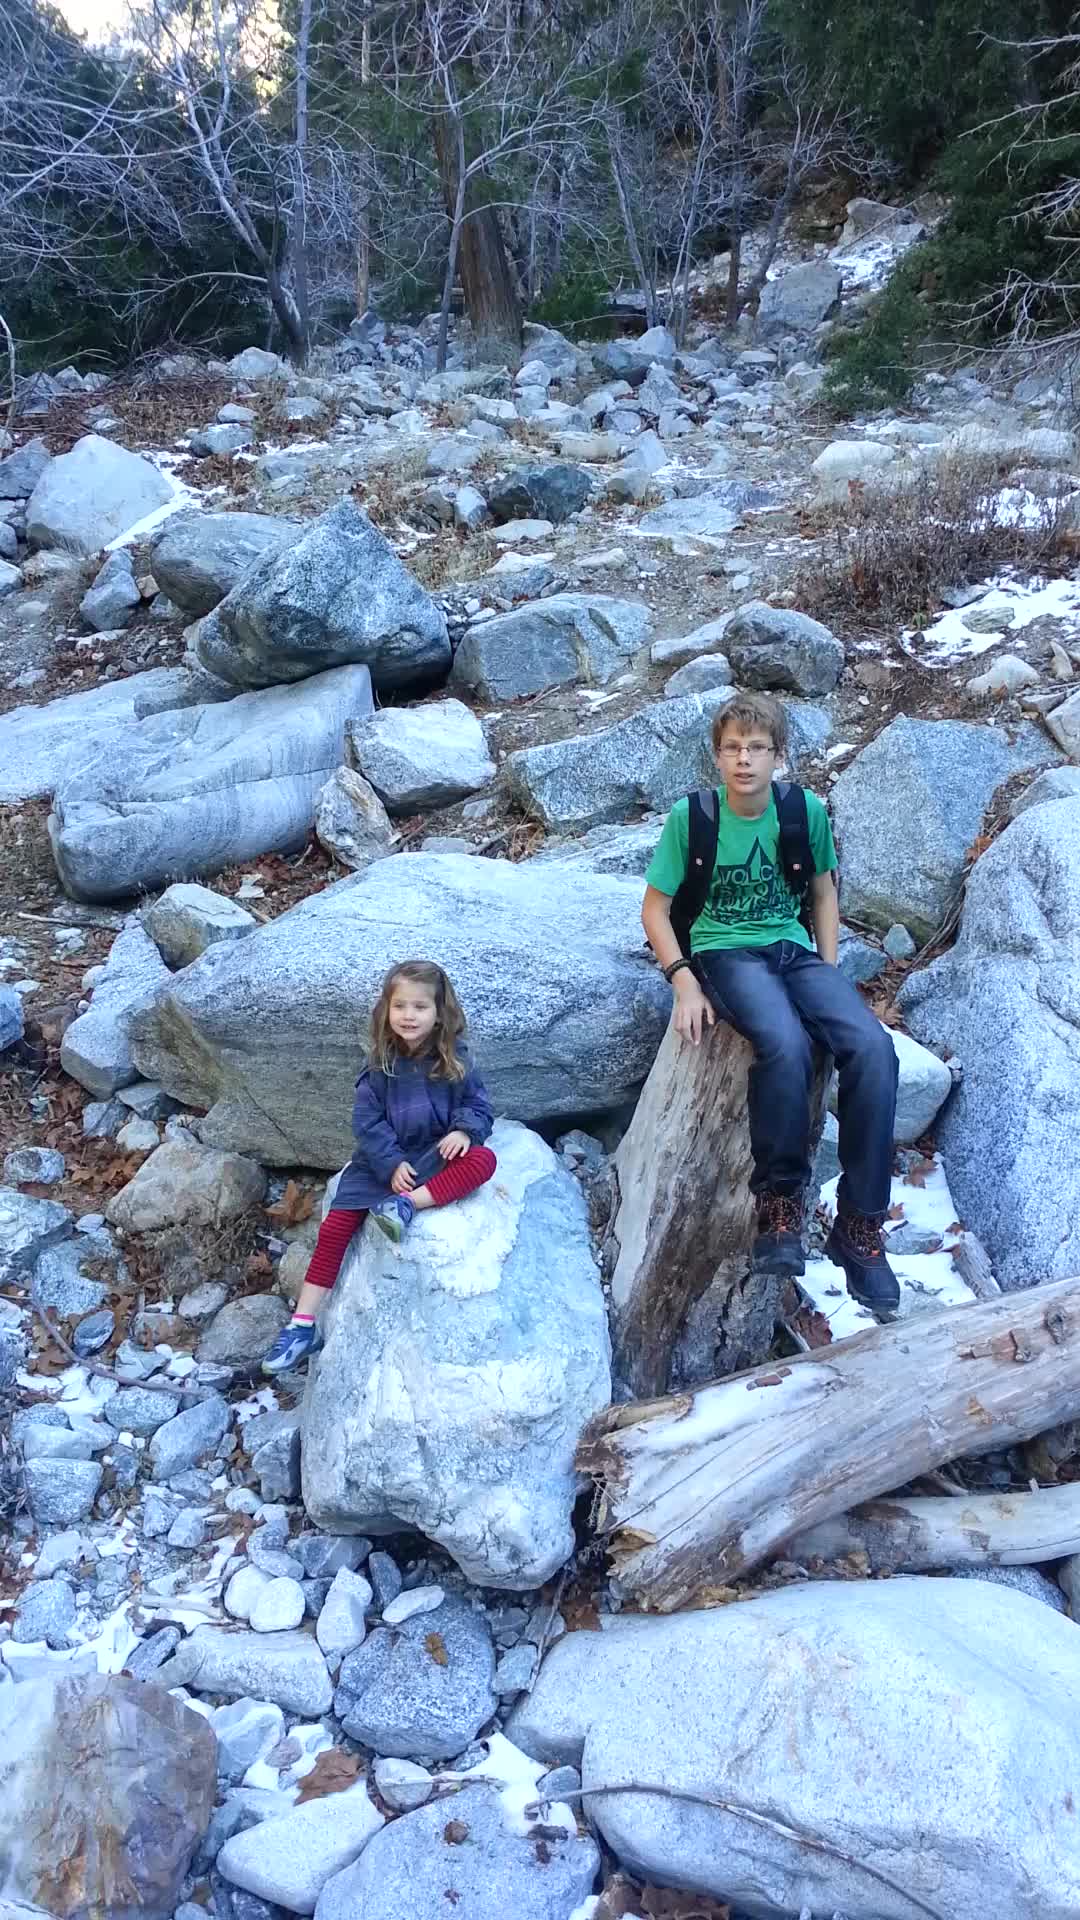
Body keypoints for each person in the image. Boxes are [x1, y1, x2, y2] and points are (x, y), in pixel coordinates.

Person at [640, 692, 901, 1319]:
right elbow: (654, 908)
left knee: (873, 1048)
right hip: (725, 952)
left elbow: (823, 894)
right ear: (716, 756)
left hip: (792, 949)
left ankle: (860, 1226)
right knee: (783, 1043)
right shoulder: (692, 818)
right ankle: (779, 1204)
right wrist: (683, 980)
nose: (744, 759)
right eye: (732, 748)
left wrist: (829, 974)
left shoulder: (802, 811)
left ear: (778, 755)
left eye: (757, 748)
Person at [262, 959, 496, 1374]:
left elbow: (478, 1105)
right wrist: (390, 1163)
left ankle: (407, 1205)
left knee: (483, 1160)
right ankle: (302, 1324)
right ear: (386, 1010)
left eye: (420, 1007)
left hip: (434, 1154)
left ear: (440, 1012)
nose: (409, 1015)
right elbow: (367, 1124)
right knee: (334, 1228)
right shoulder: (379, 1065)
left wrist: (463, 1130)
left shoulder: (456, 1059)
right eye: (400, 1006)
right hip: (382, 1162)